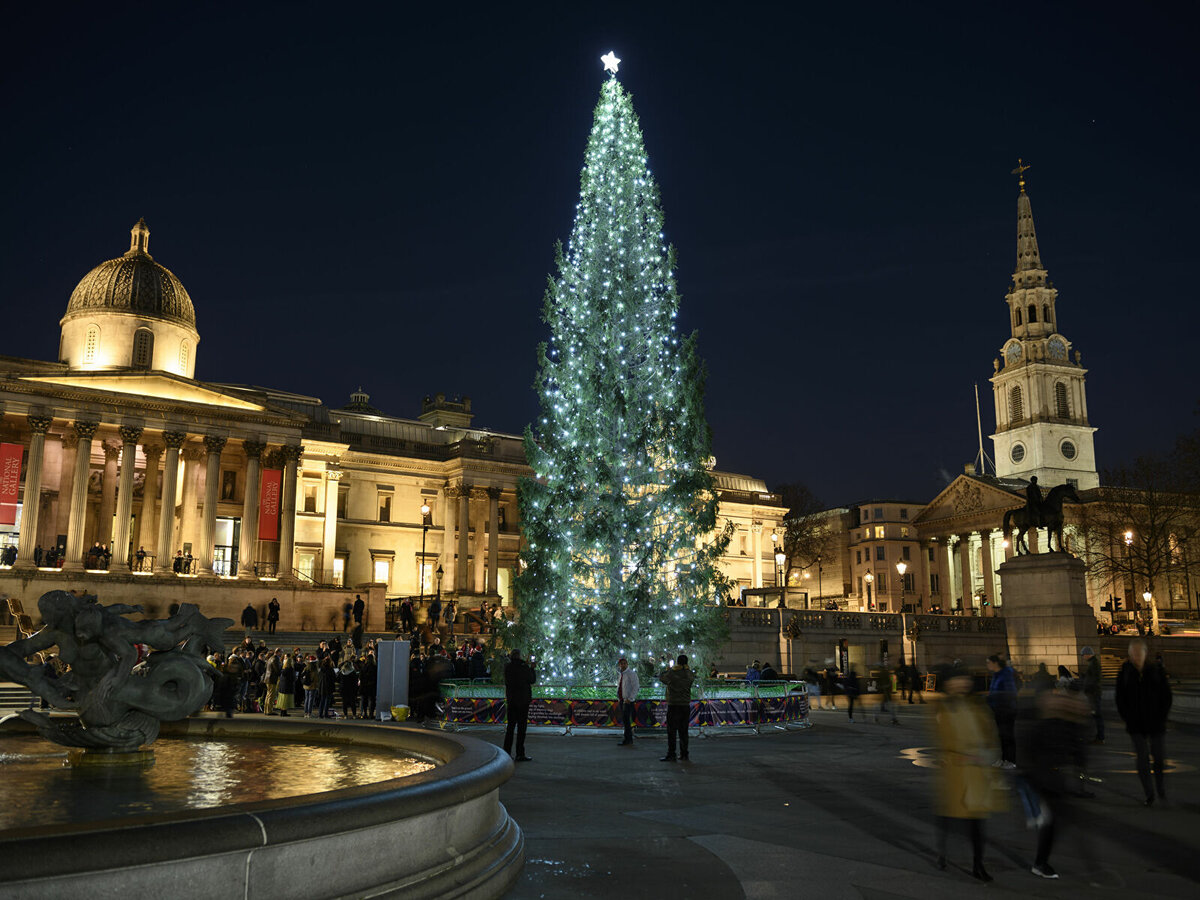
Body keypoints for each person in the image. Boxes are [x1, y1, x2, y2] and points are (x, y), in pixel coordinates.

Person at [933, 664, 1002, 882]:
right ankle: (943, 854)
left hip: (976, 773)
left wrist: (988, 756)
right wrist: (958, 757)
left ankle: (978, 864)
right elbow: (941, 743)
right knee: (948, 818)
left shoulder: (977, 706)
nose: (961, 683)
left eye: (964, 679)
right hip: (955, 773)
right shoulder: (942, 708)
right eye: (956, 679)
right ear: (947, 684)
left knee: (976, 822)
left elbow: (989, 734)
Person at [1115, 639, 1172, 805]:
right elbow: (1120, 699)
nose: (1136, 657)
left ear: (1145, 654)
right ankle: (1149, 794)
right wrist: (1127, 717)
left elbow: (1166, 696)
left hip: (1156, 723)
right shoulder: (1125, 672)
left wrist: (1162, 716)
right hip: (1135, 725)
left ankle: (1161, 789)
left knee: (1159, 758)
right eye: (1133, 654)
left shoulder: (1156, 671)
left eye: (1139, 653)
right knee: (1142, 759)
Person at [659, 654, 695, 761]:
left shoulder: (672, 673)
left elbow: (662, 678)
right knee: (684, 731)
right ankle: (684, 754)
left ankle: (672, 754)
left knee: (672, 730)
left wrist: (668, 670)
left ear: (677, 662)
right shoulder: (690, 674)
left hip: (674, 704)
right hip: (685, 705)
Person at [504, 649, 536, 761]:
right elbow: (532, 680)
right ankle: (520, 753)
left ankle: (506, 752)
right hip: (523, 701)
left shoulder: (508, 667)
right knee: (521, 729)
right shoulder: (524, 667)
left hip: (512, 701)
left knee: (510, 728)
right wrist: (532, 668)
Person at [985, 654, 1018, 766]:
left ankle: (1011, 760)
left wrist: (992, 698)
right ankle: (1004, 759)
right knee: (1001, 736)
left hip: (1006, 710)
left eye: (989, 662)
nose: (987, 665)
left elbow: (1010, 692)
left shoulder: (1005, 674)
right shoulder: (997, 674)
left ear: (995, 663)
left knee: (1007, 736)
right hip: (998, 709)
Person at [1079, 646, 1104, 744]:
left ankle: (1099, 737)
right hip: (1093, 693)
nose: (1083, 657)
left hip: (1093, 694)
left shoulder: (1094, 664)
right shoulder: (1093, 663)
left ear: (1088, 654)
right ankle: (1098, 736)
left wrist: (1088, 688)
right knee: (1095, 716)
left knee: (1096, 716)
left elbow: (1095, 679)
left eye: (1083, 655)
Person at [616, 657, 640, 746]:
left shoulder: (631, 674)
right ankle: (627, 738)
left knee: (626, 720)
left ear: (627, 664)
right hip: (622, 700)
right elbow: (620, 686)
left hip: (628, 701)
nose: (623, 665)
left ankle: (628, 739)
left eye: (624, 663)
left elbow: (636, 687)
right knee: (625, 720)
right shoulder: (621, 674)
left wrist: (630, 699)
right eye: (621, 664)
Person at [263, 649, 282, 715]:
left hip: (268, 678)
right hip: (272, 679)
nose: (281, 653)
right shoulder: (275, 659)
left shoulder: (271, 658)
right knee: (271, 695)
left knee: (268, 695)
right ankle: (269, 711)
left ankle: (266, 710)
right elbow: (277, 670)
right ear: (278, 652)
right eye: (281, 652)